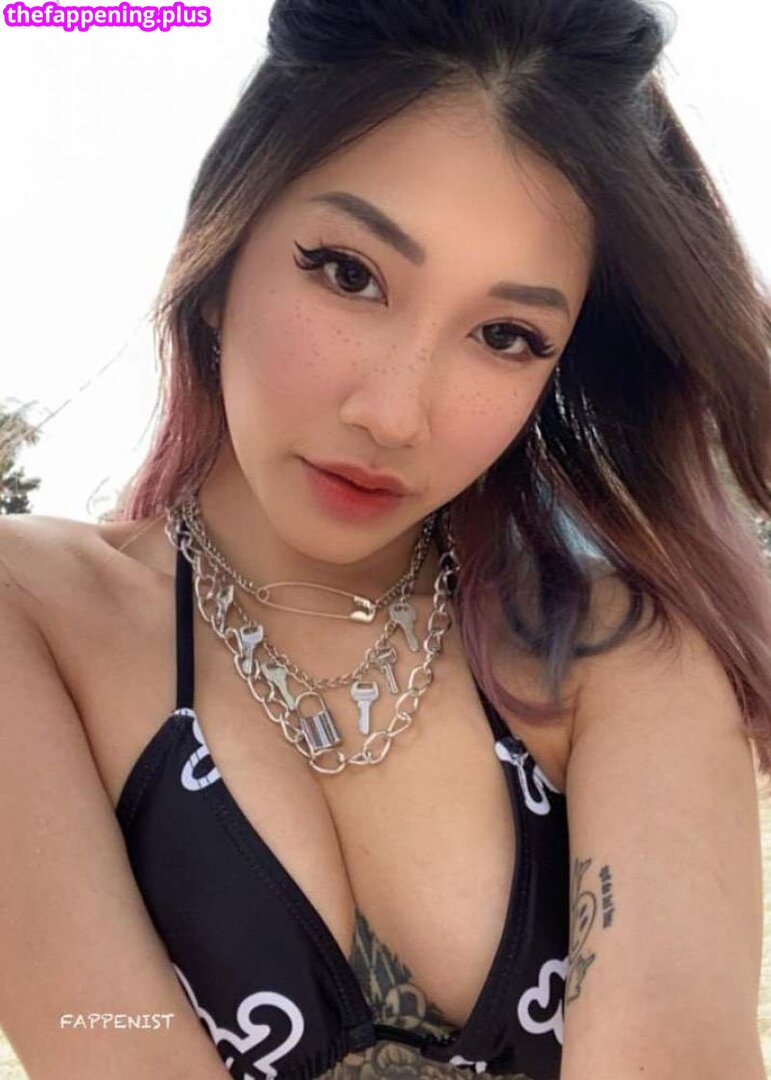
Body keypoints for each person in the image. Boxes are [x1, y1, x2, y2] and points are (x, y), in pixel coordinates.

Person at [1, 0, 770, 1077]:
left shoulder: (615, 651)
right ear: (221, 253)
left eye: (505, 335)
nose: (395, 415)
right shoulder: (36, 616)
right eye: (349, 273)